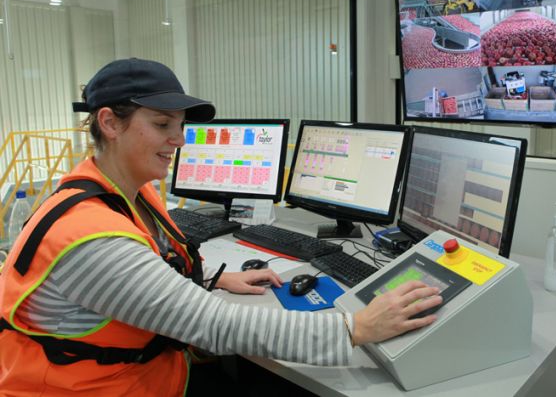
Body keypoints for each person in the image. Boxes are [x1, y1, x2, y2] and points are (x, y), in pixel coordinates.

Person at [0, 58, 442, 395]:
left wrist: (215, 277)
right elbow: (213, 326)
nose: (179, 139)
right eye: (161, 125)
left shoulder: (125, 194)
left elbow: (149, 276)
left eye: (180, 126)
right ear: (110, 123)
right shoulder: (89, 236)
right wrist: (356, 327)